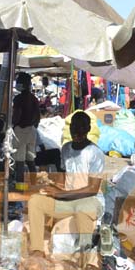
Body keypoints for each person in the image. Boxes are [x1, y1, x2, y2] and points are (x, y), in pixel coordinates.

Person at [27, 111, 105, 261]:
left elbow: (92, 189)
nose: (77, 131)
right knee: (35, 201)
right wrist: (53, 188)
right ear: (70, 128)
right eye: (74, 127)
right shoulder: (66, 148)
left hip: (90, 200)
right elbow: (63, 179)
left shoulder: (95, 153)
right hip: (69, 200)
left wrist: (61, 194)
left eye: (82, 127)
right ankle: (37, 249)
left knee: (83, 208)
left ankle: (85, 257)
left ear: (88, 129)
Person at [12, 72, 40, 186]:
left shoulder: (19, 98)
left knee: (19, 161)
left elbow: (17, 115)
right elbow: (38, 117)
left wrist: (13, 125)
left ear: (22, 84)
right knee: (30, 160)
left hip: (20, 130)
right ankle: (33, 184)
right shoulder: (34, 98)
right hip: (31, 130)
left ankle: (20, 187)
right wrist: (32, 126)